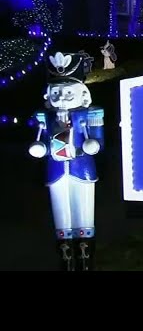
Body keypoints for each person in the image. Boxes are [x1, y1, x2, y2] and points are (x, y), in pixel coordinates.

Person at [28, 51, 104, 271]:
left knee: (85, 214)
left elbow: (98, 141)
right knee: (61, 215)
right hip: (56, 170)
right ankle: (66, 261)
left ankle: (86, 260)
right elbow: (41, 141)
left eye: (68, 92)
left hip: (83, 169)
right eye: (57, 92)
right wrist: (40, 148)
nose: (62, 97)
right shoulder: (44, 118)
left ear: (83, 95)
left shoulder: (90, 114)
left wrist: (93, 145)